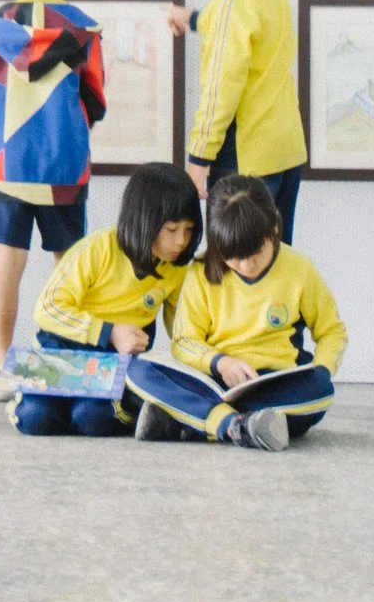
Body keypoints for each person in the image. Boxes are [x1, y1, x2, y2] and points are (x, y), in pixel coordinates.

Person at [0, 0, 106, 402]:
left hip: (6, 162)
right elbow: (95, 97)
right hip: (64, 163)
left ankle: (0, 368)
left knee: (6, 264)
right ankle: (70, 365)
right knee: (70, 267)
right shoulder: (84, 28)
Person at [127, 176, 345, 452]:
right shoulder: (200, 271)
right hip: (213, 379)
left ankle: (193, 418)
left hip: (271, 384)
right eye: (233, 257)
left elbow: (331, 331)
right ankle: (236, 424)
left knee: (320, 390)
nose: (246, 265)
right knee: (138, 370)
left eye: (256, 253)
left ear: (274, 228)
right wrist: (220, 363)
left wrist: (324, 367)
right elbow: (183, 342)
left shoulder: (299, 269)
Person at [13, 162, 202, 438]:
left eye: (189, 229)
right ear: (143, 221)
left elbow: (181, 328)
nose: (181, 241)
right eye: (172, 230)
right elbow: (47, 309)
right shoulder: (97, 249)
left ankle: (111, 407)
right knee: (35, 419)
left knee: (92, 419)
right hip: (61, 348)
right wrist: (109, 331)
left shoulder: (176, 268)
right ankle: (45, 400)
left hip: (113, 359)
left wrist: (206, 361)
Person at [165, 0, 304, 238]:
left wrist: (198, 159)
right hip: (285, 150)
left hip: (245, 159)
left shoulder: (231, 3)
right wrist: (191, 19)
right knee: (276, 259)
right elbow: (243, 32)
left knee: (233, 261)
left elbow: (220, 91)